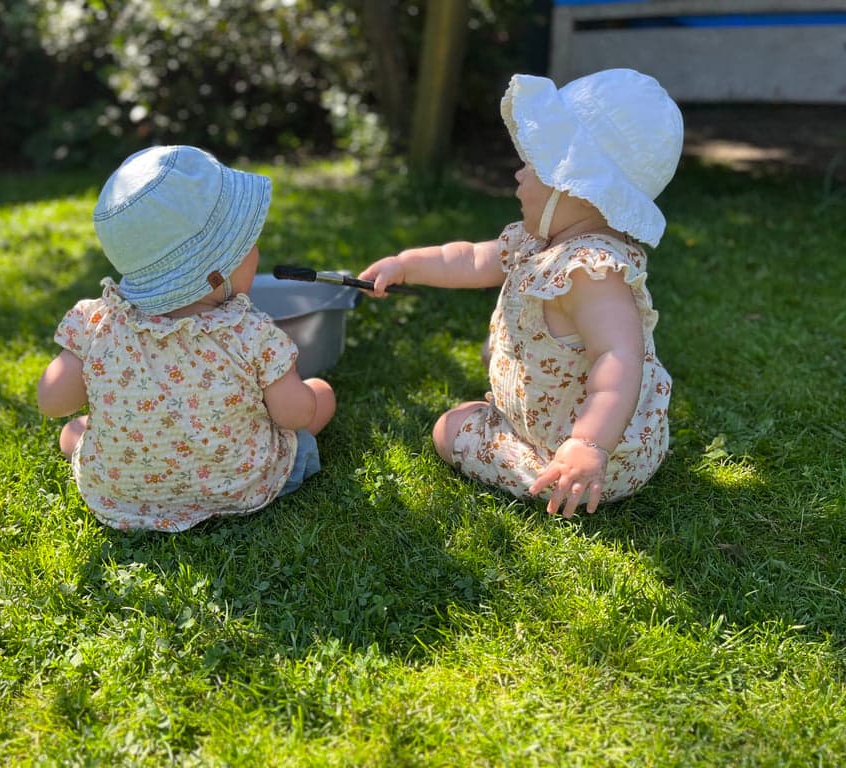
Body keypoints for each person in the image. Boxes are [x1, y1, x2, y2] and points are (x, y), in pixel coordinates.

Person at [360, 68, 682, 518]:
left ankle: (552, 459)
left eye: (531, 165)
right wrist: (407, 265)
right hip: (571, 429)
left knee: (449, 429)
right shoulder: (538, 242)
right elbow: (471, 258)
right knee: (495, 353)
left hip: (585, 461)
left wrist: (588, 444)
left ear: (573, 184)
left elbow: (619, 357)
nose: (517, 173)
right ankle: (526, 425)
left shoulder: (591, 271)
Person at [37, 145, 336, 531]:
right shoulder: (251, 334)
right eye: (248, 246)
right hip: (241, 484)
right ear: (217, 273)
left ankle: (141, 471)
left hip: (125, 493)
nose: (257, 251)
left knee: (72, 431)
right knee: (322, 394)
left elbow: (53, 401)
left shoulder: (98, 323)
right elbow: (295, 414)